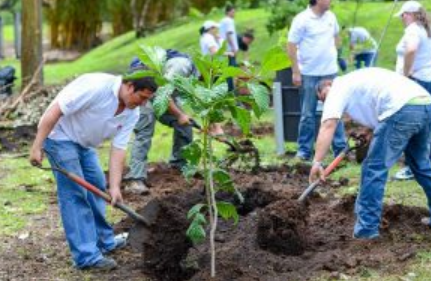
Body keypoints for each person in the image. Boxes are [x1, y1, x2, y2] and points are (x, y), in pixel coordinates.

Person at [29, 72, 157, 270]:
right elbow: (55, 110)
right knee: (75, 194)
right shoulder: (96, 87)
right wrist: (37, 146)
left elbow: (119, 149)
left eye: (147, 100)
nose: (142, 103)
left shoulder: (133, 112)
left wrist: (115, 187)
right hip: (60, 137)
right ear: (130, 86)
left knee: (98, 186)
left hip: (85, 143)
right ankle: (86, 256)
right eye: (142, 97)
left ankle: (103, 241)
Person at [309, 67, 431, 240]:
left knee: (373, 168)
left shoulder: (338, 87)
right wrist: (369, 129)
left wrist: (317, 162)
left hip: (402, 109)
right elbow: (379, 101)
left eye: (323, 97)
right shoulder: (356, 80)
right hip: (424, 103)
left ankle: (366, 231)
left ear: (328, 84)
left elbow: (328, 125)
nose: (326, 101)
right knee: (421, 165)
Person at [124, 51, 196, 193]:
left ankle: (178, 167)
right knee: (145, 130)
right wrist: (180, 115)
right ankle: (134, 180)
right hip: (142, 89)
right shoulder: (182, 66)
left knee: (185, 127)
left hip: (158, 94)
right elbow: (162, 92)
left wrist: (214, 126)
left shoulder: (194, 79)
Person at [287, 0, 347, 161]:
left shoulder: (331, 17)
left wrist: (338, 56)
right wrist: (295, 71)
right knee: (308, 113)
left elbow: (336, 37)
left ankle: (341, 150)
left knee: (336, 111)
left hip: (330, 73)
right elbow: (291, 45)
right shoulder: (302, 19)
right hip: (309, 74)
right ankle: (304, 151)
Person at [393, 0, 431, 181]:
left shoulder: (414, 29)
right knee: (425, 126)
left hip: (417, 83)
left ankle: (412, 167)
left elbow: (411, 49)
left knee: (414, 127)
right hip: (426, 80)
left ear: (411, 14)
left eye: (403, 15)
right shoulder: (425, 28)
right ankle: (421, 164)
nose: (402, 18)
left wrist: (406, 73)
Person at [199, 20, 224, 135]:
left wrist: (219, 39)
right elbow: (215, 52)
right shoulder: (209, 38)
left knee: (209, 97)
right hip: (212, 69)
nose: (217, 30)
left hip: (207, 69)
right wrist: (226, 53)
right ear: (211, 29)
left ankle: (211, 127)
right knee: (215, 98)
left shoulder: (205, 37)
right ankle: (217, 128)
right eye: (216, 28)